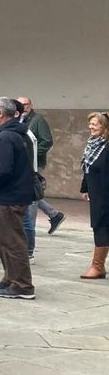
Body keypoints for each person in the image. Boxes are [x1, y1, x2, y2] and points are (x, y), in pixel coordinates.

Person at [0, 97, 35, 300]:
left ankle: (23, 285)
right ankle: (10, 277)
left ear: (0, 113)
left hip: (9, 195)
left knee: (12, 240)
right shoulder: (19, 133)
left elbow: (3, 170)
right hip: (12, 194)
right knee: (1, 238)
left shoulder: (7, 136)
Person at [17, 97, 65, 234]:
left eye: (25, 104)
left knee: (31, 192)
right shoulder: (19, 120)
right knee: (32, 191)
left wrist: (33, 154)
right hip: (23, 162)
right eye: (19, 105)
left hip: (35, 162)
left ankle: (29, 228)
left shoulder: (37, 120)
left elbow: (47, 141)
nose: (23, 107)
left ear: (30, 105)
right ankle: (55, 215)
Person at [79, 112, 109, 280]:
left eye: (95, 124)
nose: (91, 127)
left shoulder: (107, 147)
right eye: (90, 123)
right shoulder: (93, 145)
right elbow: (88, 169)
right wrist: (85, 188)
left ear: (104, 127)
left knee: (102, 226)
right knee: (99, 226)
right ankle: (99, 266)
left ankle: (97, 266)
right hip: (97, 193)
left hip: (105, 194)